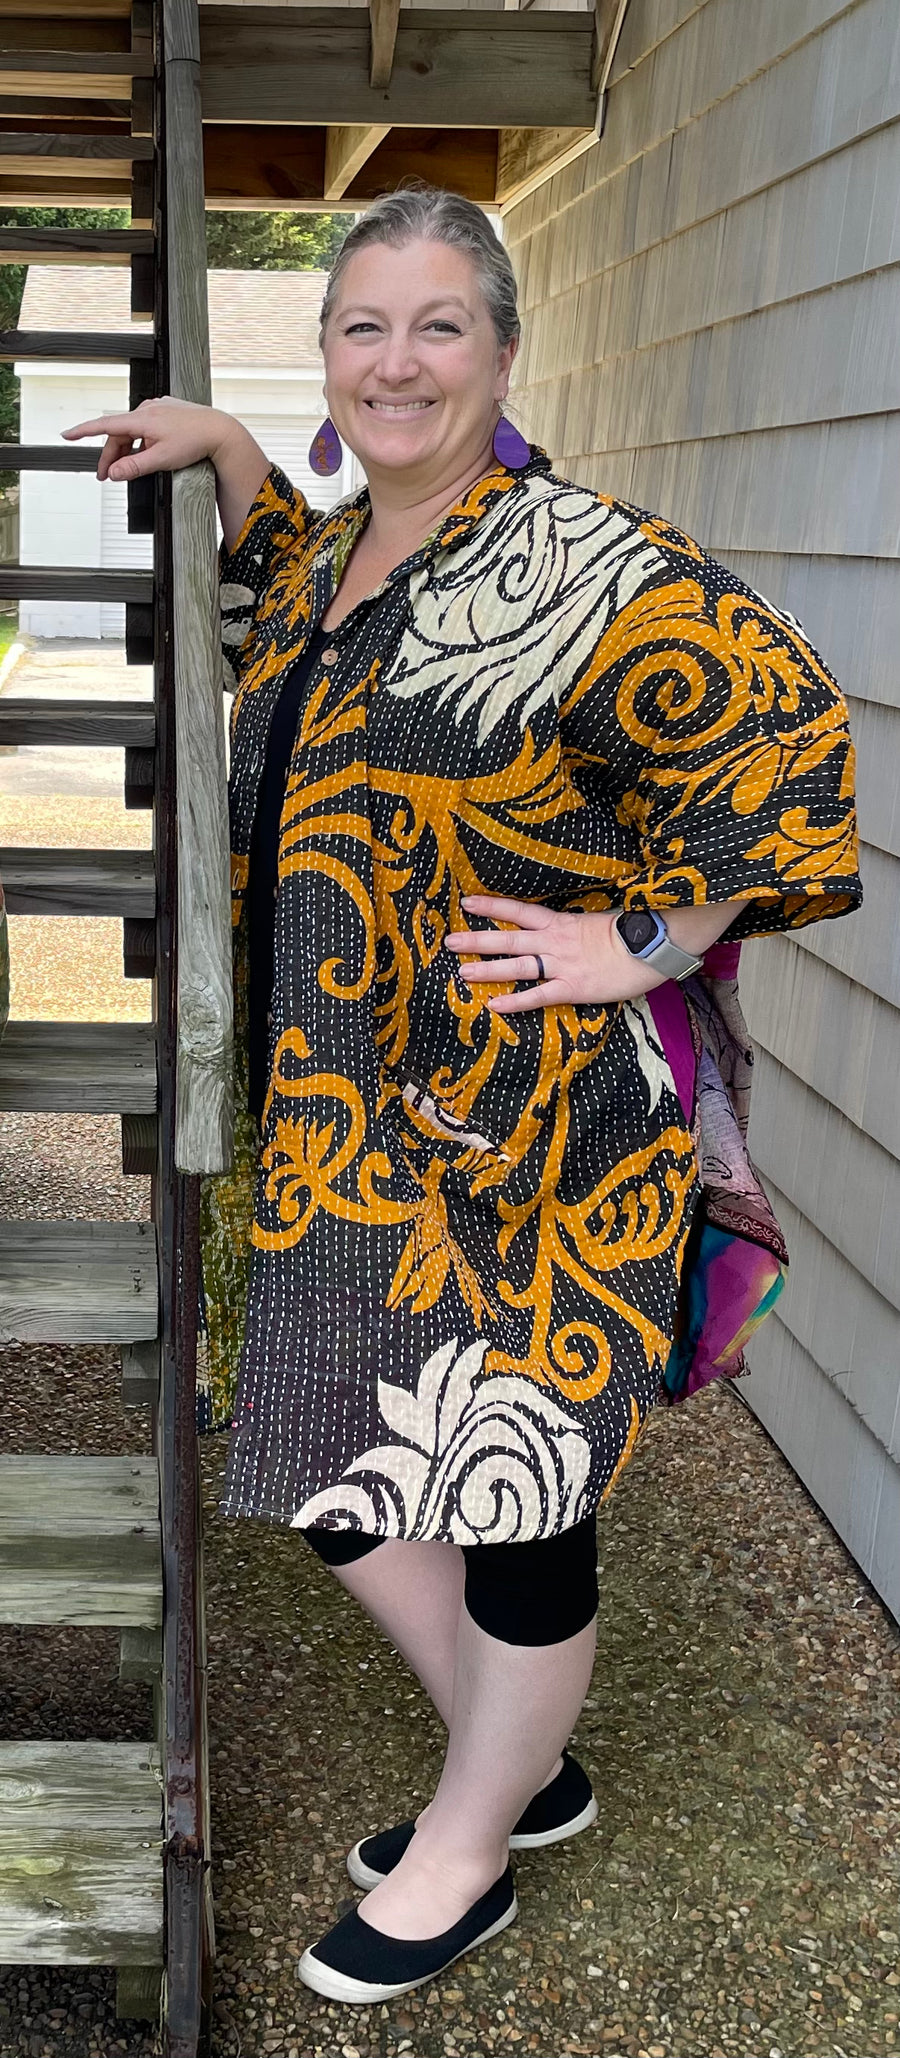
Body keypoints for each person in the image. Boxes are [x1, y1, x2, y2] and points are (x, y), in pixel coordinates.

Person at [65, 186, 862, 2007]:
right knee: (335, 1459)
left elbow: (789, 743)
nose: (399, 360)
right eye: (363, 325)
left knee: (513, 1488)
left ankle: (472, 1839)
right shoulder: (337, 556)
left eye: (440, 324)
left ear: (504, 346)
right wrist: (232, 447)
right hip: (342, 1121)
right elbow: (280, 595)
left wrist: (640, 944)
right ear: (330, 358)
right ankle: (525, 1756)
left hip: (536, 1129)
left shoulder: (591, 564)